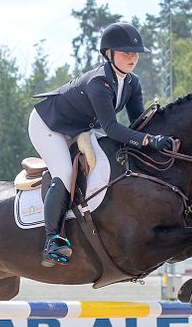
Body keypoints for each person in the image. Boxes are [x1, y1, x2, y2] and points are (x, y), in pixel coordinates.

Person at [28, 22, 174, 267]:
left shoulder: (131, 82)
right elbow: (113, 128)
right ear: (109, 54)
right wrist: (149, 141)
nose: (132, 57)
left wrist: (161, 135)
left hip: (79, 128)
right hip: (49, 125)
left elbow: (137, 124)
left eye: (135, 53)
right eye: (126, 52)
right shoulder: (99, 82)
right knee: (64, 172)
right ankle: (52, 240)